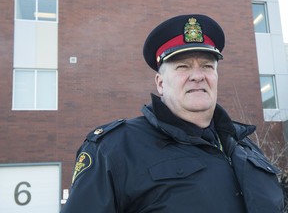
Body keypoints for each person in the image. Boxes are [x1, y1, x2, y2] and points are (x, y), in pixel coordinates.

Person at [60, 14, 284, 213]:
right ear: (160, 83)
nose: (198, 76)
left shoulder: (245, 146)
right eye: (183, 67)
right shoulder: (114, 150)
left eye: (207, 66)